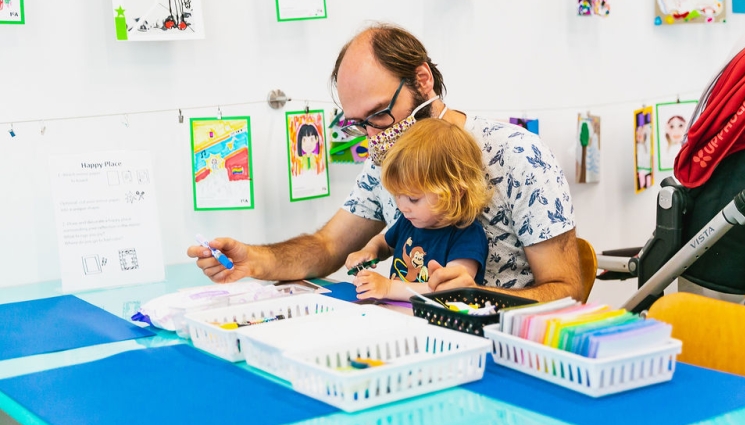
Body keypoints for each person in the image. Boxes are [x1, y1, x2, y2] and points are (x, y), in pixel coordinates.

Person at [187, 23, 582, 302]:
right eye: (359, 123)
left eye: (379, 114)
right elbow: (329, 246)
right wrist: (255, 260)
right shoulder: (389, 159)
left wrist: (476, 297)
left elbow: (568, 291)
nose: (374, 136)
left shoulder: (517, 155)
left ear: (422, 80)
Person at [346, 118, 491, 301]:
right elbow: (385, 243)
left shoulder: (467, 235)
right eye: (397, 195)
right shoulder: (410, 221)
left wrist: (388, 287)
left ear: (455, 193)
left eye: (413, 199)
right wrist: (370, 250)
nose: (402, 207)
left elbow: (451, 290)